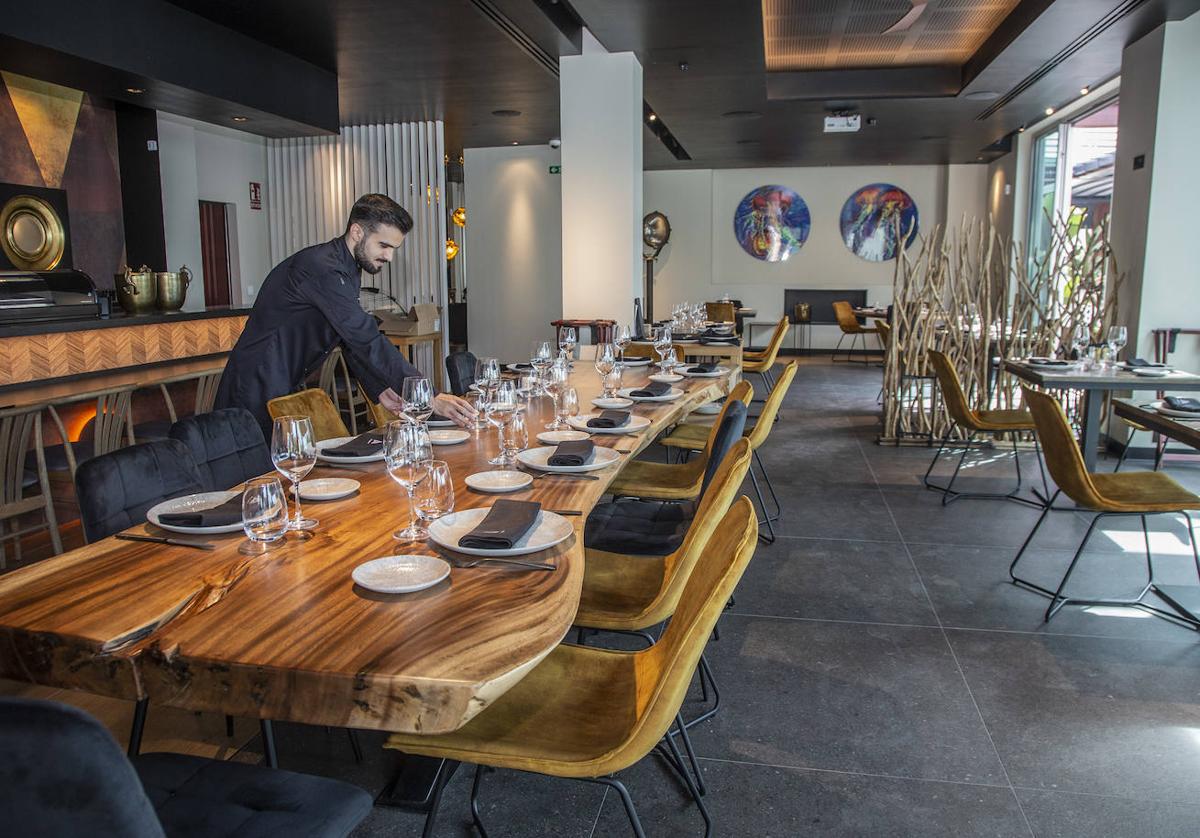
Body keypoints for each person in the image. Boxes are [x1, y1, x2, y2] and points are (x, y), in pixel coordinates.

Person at [214, 194, 476, 434]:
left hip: (278, 380)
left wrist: (379, 387)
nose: (389, 256)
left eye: (394, 248)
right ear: (357, 231)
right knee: (257, 480)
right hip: (252, 385)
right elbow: (364, 337)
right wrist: (426, 394)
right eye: (384, 245)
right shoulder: (321, 268)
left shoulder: (347, 266)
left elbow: (347, 338)